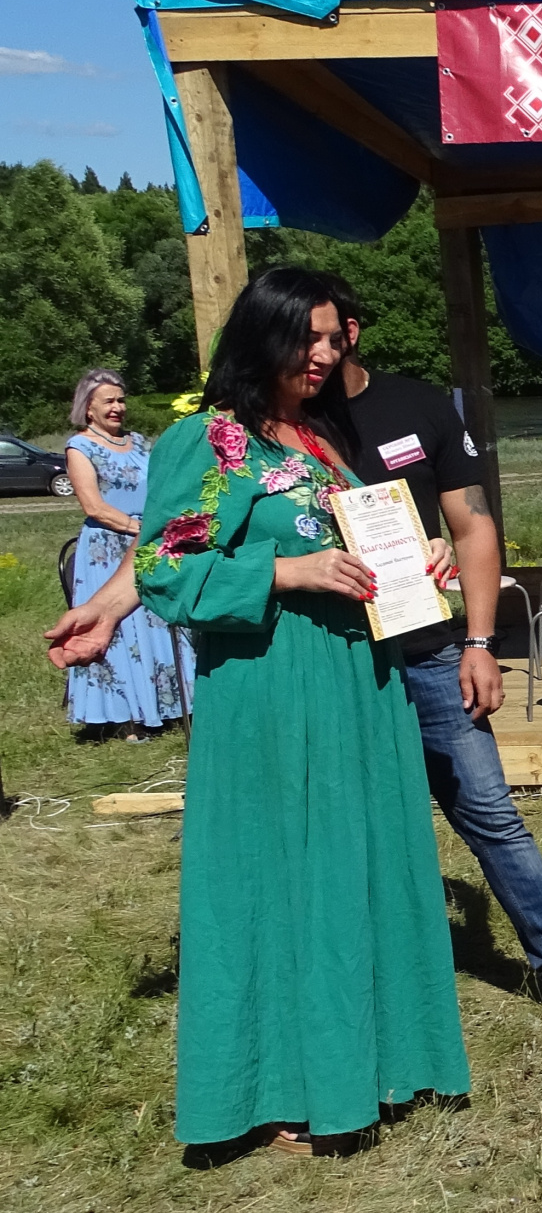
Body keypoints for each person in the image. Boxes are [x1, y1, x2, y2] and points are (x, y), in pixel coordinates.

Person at [136, 267, 470, 1152]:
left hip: (359, 677)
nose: (324, 354)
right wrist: (286, 573)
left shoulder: (318, 438)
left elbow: (349, 544)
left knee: (357, 861)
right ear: (262, 335)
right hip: (273, 681)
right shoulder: (211, 440)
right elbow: (163, 570)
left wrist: (420, 557)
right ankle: (281, 1082)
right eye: (306, 337)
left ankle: (371, 1058)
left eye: (333, 337)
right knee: (283, 871)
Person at [323, 280, 542, 1020]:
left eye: (324, 335)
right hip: (335, 655)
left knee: (491, 812)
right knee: (352, 818)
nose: (310, 353)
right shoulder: (280, 426)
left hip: (431, 651)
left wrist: (479, 642)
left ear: (353, 331)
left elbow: (472, 527)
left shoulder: (419, 406)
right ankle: (358, 969)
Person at [62, 368, 191, 739]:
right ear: (88, 408)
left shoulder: (139, 443)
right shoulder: (80, 447)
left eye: (121, 400)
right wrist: (140, 529)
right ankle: (124, 716)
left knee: (157, 621)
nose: (117, 407)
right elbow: (94, 506)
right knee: (119, 629)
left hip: (150, 541)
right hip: (108, 548)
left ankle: (168, 705)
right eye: (108, 401)